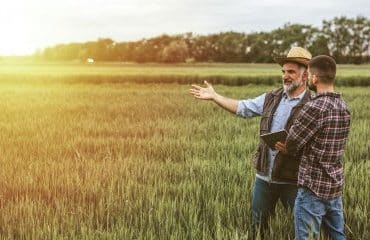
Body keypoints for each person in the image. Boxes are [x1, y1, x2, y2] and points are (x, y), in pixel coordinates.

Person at [190, 47, 312, 237]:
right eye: (283, 71)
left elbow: (322, 145)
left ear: (304, 76)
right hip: (264, 178)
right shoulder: (271, 98)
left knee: (304, 230)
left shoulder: (314, 104)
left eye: (291, 72)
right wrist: (215, 97)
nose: (285, 76)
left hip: (294, 180)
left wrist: (294, 149)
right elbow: (242, 108)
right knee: (258, 228)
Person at [275, 55, 351, 240]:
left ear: (315, 78)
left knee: (306, 237)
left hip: (312, 188)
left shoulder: (314, 107)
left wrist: (285, 147)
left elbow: (292, 143)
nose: (308, 78)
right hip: (334, 186)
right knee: (337, 236)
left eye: (309, 75)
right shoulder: (343, 106)